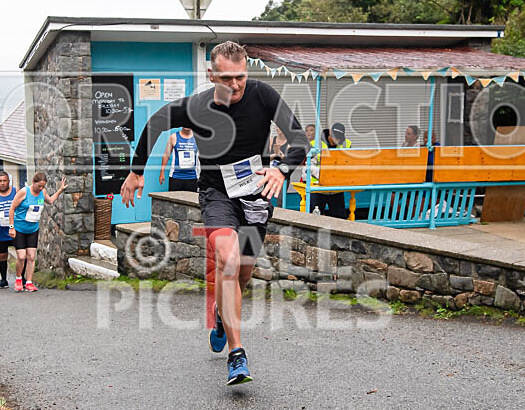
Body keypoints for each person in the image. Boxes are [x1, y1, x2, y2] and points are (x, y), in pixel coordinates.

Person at [120, 41, 309, 386]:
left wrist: (281, 170)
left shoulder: (263, 95)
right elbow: (157, 123)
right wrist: (136, 171)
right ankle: (237, 355)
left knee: (244, 274)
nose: (234, 85)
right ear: (211, 74)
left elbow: (300, 139)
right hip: (216, 192)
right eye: (225, 77)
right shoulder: (197, 105)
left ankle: (223, 315)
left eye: (240, 77)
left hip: (255, 195)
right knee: (228, 259)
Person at [9, 172, 66, 292]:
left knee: (31, 257)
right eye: (39, 186)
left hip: (33, 229)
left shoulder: (42, 193)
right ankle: (19, 278)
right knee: (21, 256)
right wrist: (11, 227)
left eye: (43, 186)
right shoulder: (24, 192)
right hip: (19, 228)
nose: (41, 188)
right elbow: (12, 208)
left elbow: (50, 201)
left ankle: (29, 282)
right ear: (33, 182)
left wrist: (60, 190)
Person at [309, 122, 351, 219]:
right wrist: (324, 176)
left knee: (340, 220)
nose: (338, 140)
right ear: (330, 133)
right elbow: (310, 166)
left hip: (336, 189)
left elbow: (349, 164)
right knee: (314, 219)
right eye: (336, 137)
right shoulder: (315, 144)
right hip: (318, 188)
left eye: (340, 138)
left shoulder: (346, 144)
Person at [159, 127, 199, 192]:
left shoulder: (198, 138)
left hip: (192, 177)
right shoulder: (173, 137)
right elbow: (166, 155)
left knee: (191, 201)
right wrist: (162, 172)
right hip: (176, 176)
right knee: (174, 200)